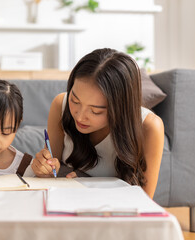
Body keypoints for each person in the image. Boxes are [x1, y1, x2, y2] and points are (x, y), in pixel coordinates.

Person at [31, 48, 164, 198]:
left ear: (121, 108)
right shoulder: (60, 105)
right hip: (67, 202)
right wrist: (44, 168)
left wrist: (89, 184)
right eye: (75, 101)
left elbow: (144, 200)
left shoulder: (149, 126)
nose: (80, 117)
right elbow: (50, 173)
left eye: (95, 111)